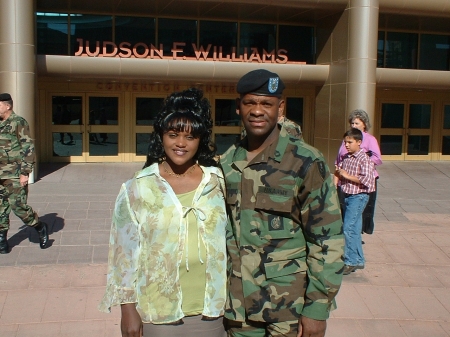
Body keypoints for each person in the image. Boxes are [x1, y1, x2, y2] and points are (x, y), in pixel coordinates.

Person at [220, 69, 344, 337]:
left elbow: (328, 239)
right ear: (238, 107)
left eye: (266, 103)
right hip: (238, 308)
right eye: (249, 103)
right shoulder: (226, 163)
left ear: (281, 107)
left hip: (289, 309)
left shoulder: (306, 161)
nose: (257, 111)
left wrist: (317, 309)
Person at [99, 88, 228, 337]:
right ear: (161, 136)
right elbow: (123, 254)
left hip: (212, 309)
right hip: (158, 311)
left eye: (190, 137)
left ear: (201, 139)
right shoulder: (137, 187)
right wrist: (128, 309)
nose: (180, 143)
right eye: (173, 135)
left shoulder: (217, 181)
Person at [0, 93, 49, 253]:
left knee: (19, 207)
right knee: (1, 208)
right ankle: (2, 240)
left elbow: (28, 148)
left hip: (14, 174)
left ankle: (40, 226)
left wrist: (25, 173)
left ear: (7, 106)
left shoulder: (18, 122)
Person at [334, 128, 376, 275]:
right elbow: (339, 171)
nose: (346, 145)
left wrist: (347, 175)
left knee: (348, 228)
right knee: (355, 230)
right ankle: (358, 259)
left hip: (358, 196)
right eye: (345, 142)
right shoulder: (346, 157)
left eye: (350, 142)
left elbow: (367, 182)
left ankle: (350, 260)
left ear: (359, 142)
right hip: (347, 195)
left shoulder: (364, 159)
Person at [335, 109, 382, 235]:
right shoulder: (348, 138)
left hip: (361, 182)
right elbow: (339, 157)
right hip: (345, 181)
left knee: (358, 215)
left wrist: (360, 165)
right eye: (352, 123)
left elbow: (377, 158)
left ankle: (354, 239)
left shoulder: (369, 139)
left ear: (364, 124)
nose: (354, 126)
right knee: (345, 210)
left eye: (356, 123)